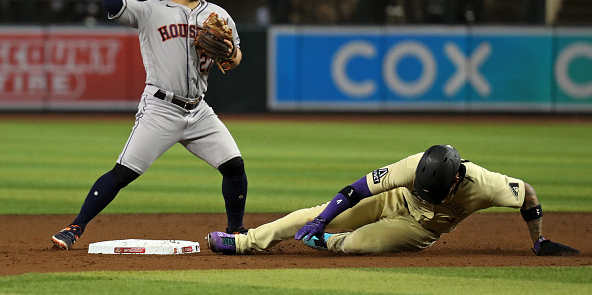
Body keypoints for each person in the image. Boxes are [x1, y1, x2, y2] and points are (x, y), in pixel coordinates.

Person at [51, 0, 249, 250]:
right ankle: (74, 227)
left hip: (198, 110)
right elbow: (112, 5)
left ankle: (235, 233)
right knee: (123, 173)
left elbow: (235, 58)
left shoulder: (218, 15)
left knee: (234, 166)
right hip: (160, 108)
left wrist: (230, 54)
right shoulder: (151, 11)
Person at [207, 145, 579, 256]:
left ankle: (330, 242)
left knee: (356, 246)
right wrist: (325, 217)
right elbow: (355, 190)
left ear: (455, 183)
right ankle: (243, 242)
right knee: (313, 213)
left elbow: (527, 192)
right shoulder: (414, 166)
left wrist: (538, 240)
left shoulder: (486, 185)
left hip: (419, 228)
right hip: (392, 202)